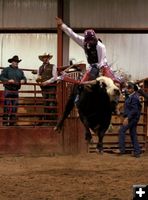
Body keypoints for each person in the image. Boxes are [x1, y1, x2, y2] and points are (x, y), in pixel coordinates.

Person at [55, 17, 121, 84]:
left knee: (113, 82)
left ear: (94, 39)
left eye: (91, 41)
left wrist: (100, 71)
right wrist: (62, 25)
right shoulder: (83, 42)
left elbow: (102, 61)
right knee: (82, 84)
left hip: (102, 66)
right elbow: (73, 35)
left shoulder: (101, 46)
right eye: (88, 41)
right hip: (92, 66)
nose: (89, 43)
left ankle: (119, 86)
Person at [0, 55, 27, 126]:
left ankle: (12, 122)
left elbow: (24, 78)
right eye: (15, 61)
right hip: (8, 89)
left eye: (17, 62)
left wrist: (23, 80)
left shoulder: (20, 71)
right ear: (12, 62)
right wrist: (8, 80)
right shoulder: (6, 69)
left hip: (15, 90)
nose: (16, 63)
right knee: (7, 106)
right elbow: (1, 77)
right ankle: (5, 122)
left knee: (15, 107)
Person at [118, 82, 142, 158]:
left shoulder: (134, 97)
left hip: (132, 118)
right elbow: (129, 109)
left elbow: (134, 110)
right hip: (133, 117)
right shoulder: (131, 96)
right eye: (127, 88)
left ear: (132, 89)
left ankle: (122, 149)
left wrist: (127, 118)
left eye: (129, 88)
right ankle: (137, 152)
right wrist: (122, 112)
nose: (127, 89)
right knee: (133, 133)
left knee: (122, 130)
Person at [36, 53, 57, 125]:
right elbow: (39, 77)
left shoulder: (53, 66)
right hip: (44, 88)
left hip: (51, 87)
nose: (45, 59)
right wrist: (39, 81)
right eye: (44, 57)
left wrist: (46, 82)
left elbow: (54, 77)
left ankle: (52, 122)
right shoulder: (40, 68)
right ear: (42, 59)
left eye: (47, 57)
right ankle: (47, 121)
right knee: (45, 103)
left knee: (51, 103)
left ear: (48, 58)